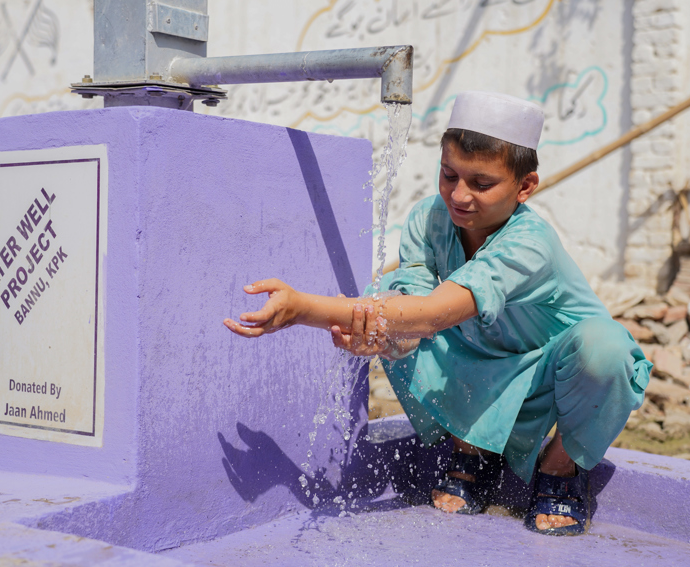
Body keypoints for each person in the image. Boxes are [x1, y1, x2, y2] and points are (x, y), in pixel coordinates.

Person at [224, 91, 652, 536]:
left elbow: (430, 316)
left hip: (547, 372)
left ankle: (559, 471)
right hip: (477, 364)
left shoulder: (530, 242)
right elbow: (411, 324)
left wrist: (302, 309)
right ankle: (472, 453)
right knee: (389, 298)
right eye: (449, 175)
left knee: (605, 347)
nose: (459, 195)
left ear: (525, 187)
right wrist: (383, 339)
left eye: (482, 184)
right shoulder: (429, 219)